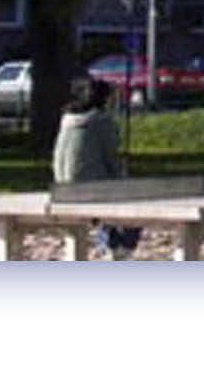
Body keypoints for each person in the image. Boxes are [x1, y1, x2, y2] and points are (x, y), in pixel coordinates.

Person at [52, 79, 140, 259]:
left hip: (61, 188)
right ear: (105, 99)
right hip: (89, 189)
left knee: (106, 202)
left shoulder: (67, 120)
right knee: (136, 205)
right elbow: (112, 160)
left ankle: (109, 243)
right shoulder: (101, 121)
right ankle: (121, 247)